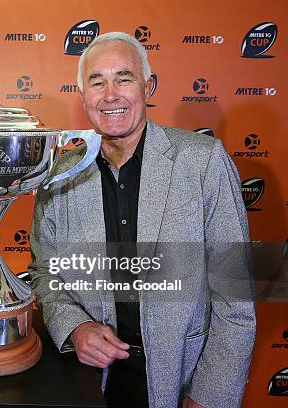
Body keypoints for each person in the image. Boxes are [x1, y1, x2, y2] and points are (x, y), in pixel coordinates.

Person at [29, 32, 255, 408]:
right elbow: (44, 273)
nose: (111, 94)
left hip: (183, 379)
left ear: (148, 86)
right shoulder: (58, 177)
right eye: (97, 82)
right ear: (83, 94)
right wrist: (75, 327)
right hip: (89, 382)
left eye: (124, 78)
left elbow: (236, 297)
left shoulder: (203, 162)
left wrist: (211, 397)